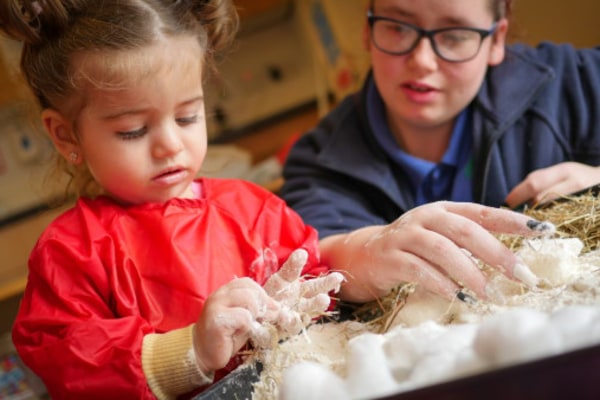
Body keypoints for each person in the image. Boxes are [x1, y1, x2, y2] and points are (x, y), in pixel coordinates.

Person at [0, 1, 346, 399]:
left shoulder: (252, 209)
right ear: (65, 135)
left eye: (186, 117)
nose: (170, 145)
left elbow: (317, 287)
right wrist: (191, 350)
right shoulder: (70, 255)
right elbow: (69, 361)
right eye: (133, 130)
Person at [280, 0, 600, 303]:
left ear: (496, 40)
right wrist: (366, 252)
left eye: (455, 36)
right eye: (397, 27)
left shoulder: (574, 82)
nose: (422, 60)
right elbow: (320, 249)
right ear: (368, 29)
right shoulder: (319, 159)